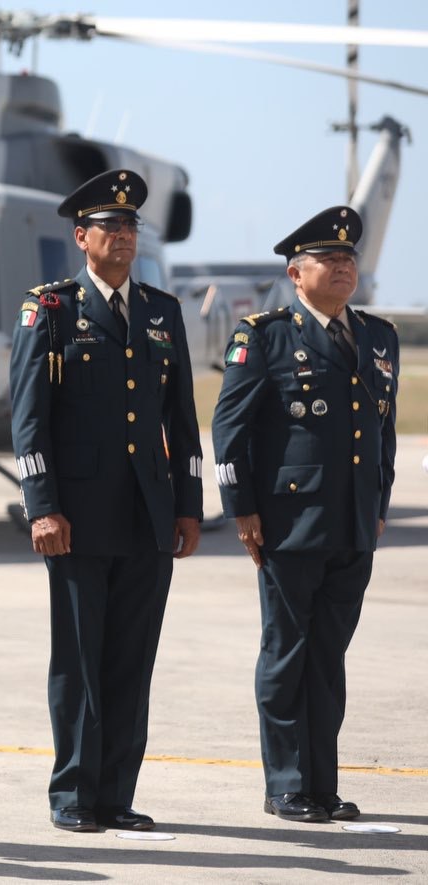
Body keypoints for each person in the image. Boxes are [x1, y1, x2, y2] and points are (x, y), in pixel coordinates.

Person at [8, 169, 203, 833]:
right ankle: (73, 792)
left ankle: (117, 793)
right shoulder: (52, 310)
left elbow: (182, 420)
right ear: (80, 236)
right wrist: (42, 505)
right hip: (76, 520)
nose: (124, 235)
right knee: (79, 661)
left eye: (131, 226)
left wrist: (188, 504)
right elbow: (28, 420)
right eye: (110, 226)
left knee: (130, 661)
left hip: (148, 516)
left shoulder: (161, 311)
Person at [211, 206, 398, 824]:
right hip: (290, 524)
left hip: (352, 525)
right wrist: (243, 511)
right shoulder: (264, 336)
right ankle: (286, 784)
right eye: (330, 259)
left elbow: (383, 433)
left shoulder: (376, 335)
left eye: (350, 258)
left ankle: (322, 785)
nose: (345, 267)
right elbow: (230, 431)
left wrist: (378, 506)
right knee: (287, 653)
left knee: (328, 659)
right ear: (297, 273)